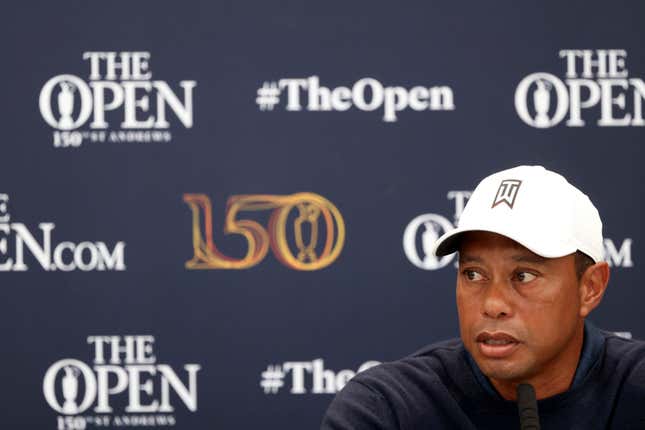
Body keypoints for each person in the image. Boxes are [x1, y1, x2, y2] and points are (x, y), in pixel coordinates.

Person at [321, 165, 645, 429]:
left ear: (590, 287)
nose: (493, 304)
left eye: (524, 276)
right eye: (473, 274)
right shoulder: (387, 409)